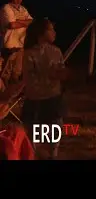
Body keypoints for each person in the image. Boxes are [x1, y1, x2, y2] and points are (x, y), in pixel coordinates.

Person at [21, 18, 68, 160]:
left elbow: (60, 72)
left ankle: (53, 154)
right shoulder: (29, 53)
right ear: (40, 33)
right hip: (35, 99)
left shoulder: (56, 51)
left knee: (54, 131)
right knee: (34, 135)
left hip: (52, 97)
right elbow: (45, 73)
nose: (54, 32)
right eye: (50, 29)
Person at [1, 0, 33, 83]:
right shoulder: (6, 8)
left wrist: (18, 21)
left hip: (21, 46)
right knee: (5, 74)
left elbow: (32, 22)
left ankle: (12, 96)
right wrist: (24, 22)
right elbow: (12, 25)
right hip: (9, 47)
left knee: (16, 74)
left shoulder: (23, 9)